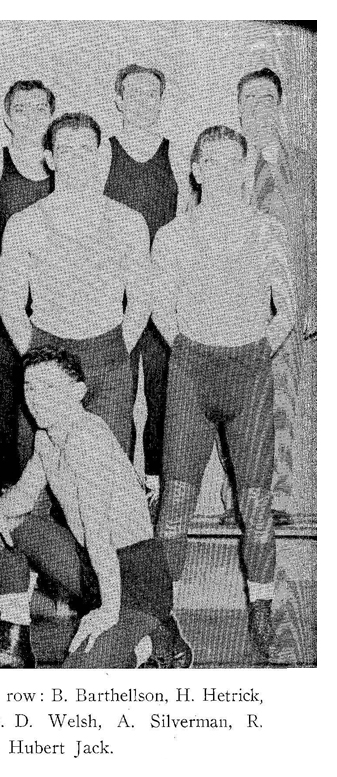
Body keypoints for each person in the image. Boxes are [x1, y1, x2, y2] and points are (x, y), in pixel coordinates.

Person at [153, 125, 295, 662]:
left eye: (230, 160)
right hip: (192, 371)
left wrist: (256, 350)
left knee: (255, 505)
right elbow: (159, 309)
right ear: (194, 170)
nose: (219, 169)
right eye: (207, 160)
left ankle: (260, 607)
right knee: (175, 507)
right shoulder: (174, 234)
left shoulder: (266, 230)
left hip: (249, 373)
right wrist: (190, 349)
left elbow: (290, 308)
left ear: (243, 169)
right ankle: (160, 619)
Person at [0, 347, 182, 669]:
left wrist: (107, 611)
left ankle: (153, 635)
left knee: (78, 673)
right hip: (90, 566)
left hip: (133, 577)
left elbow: (98, 535)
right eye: (30, 387)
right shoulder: (46, 437)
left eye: (49, 387)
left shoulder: (86, 439)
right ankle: (15, 645)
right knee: (9, 527)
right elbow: (23, 497)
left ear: (78, 392)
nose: (36, 397)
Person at [2, 112, 151, 452]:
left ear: (100, 157)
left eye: (86, 150)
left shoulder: (128, 221)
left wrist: (115, 350)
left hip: (107, 349)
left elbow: (141, 299)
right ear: (50, 159)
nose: (77, 159)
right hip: (45, 346)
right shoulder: (24, 224)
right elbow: (9, 303)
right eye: (66, 151)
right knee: (38, 484)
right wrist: (37, 356)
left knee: (108, 477)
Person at [102, 64, 186, 510]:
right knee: (117, 392)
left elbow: (188, 224)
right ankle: (116, 491)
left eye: (151, 93)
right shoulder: (103, 154)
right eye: (133, 93)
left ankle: (154, 485)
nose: (142, 101)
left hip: (165, 292)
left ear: (160, 100)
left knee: (162, 393)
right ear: (119, 99)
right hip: (118, 293)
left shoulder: (175, 153)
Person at [237, 67, 315, 524]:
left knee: (282, 400)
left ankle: (279, 498)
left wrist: (318, 297)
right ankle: (241, 498)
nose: (259, 107)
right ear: (239, 109)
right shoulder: (226, 162)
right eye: (250, 100)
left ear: (280, 105)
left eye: (268, 98)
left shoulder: (307, 167)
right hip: (234, 304)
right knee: (240, 400)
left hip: (286, 303)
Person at [0, 79, 55, 496]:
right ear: (8, 117)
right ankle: (10, 490)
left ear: (50, 116)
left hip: (52, 306)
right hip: (4, 306)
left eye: (39, 109)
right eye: (21, 109)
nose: (31, 117)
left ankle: (54, 494)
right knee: (6, 405)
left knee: (53, 402)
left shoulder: (63, 167)